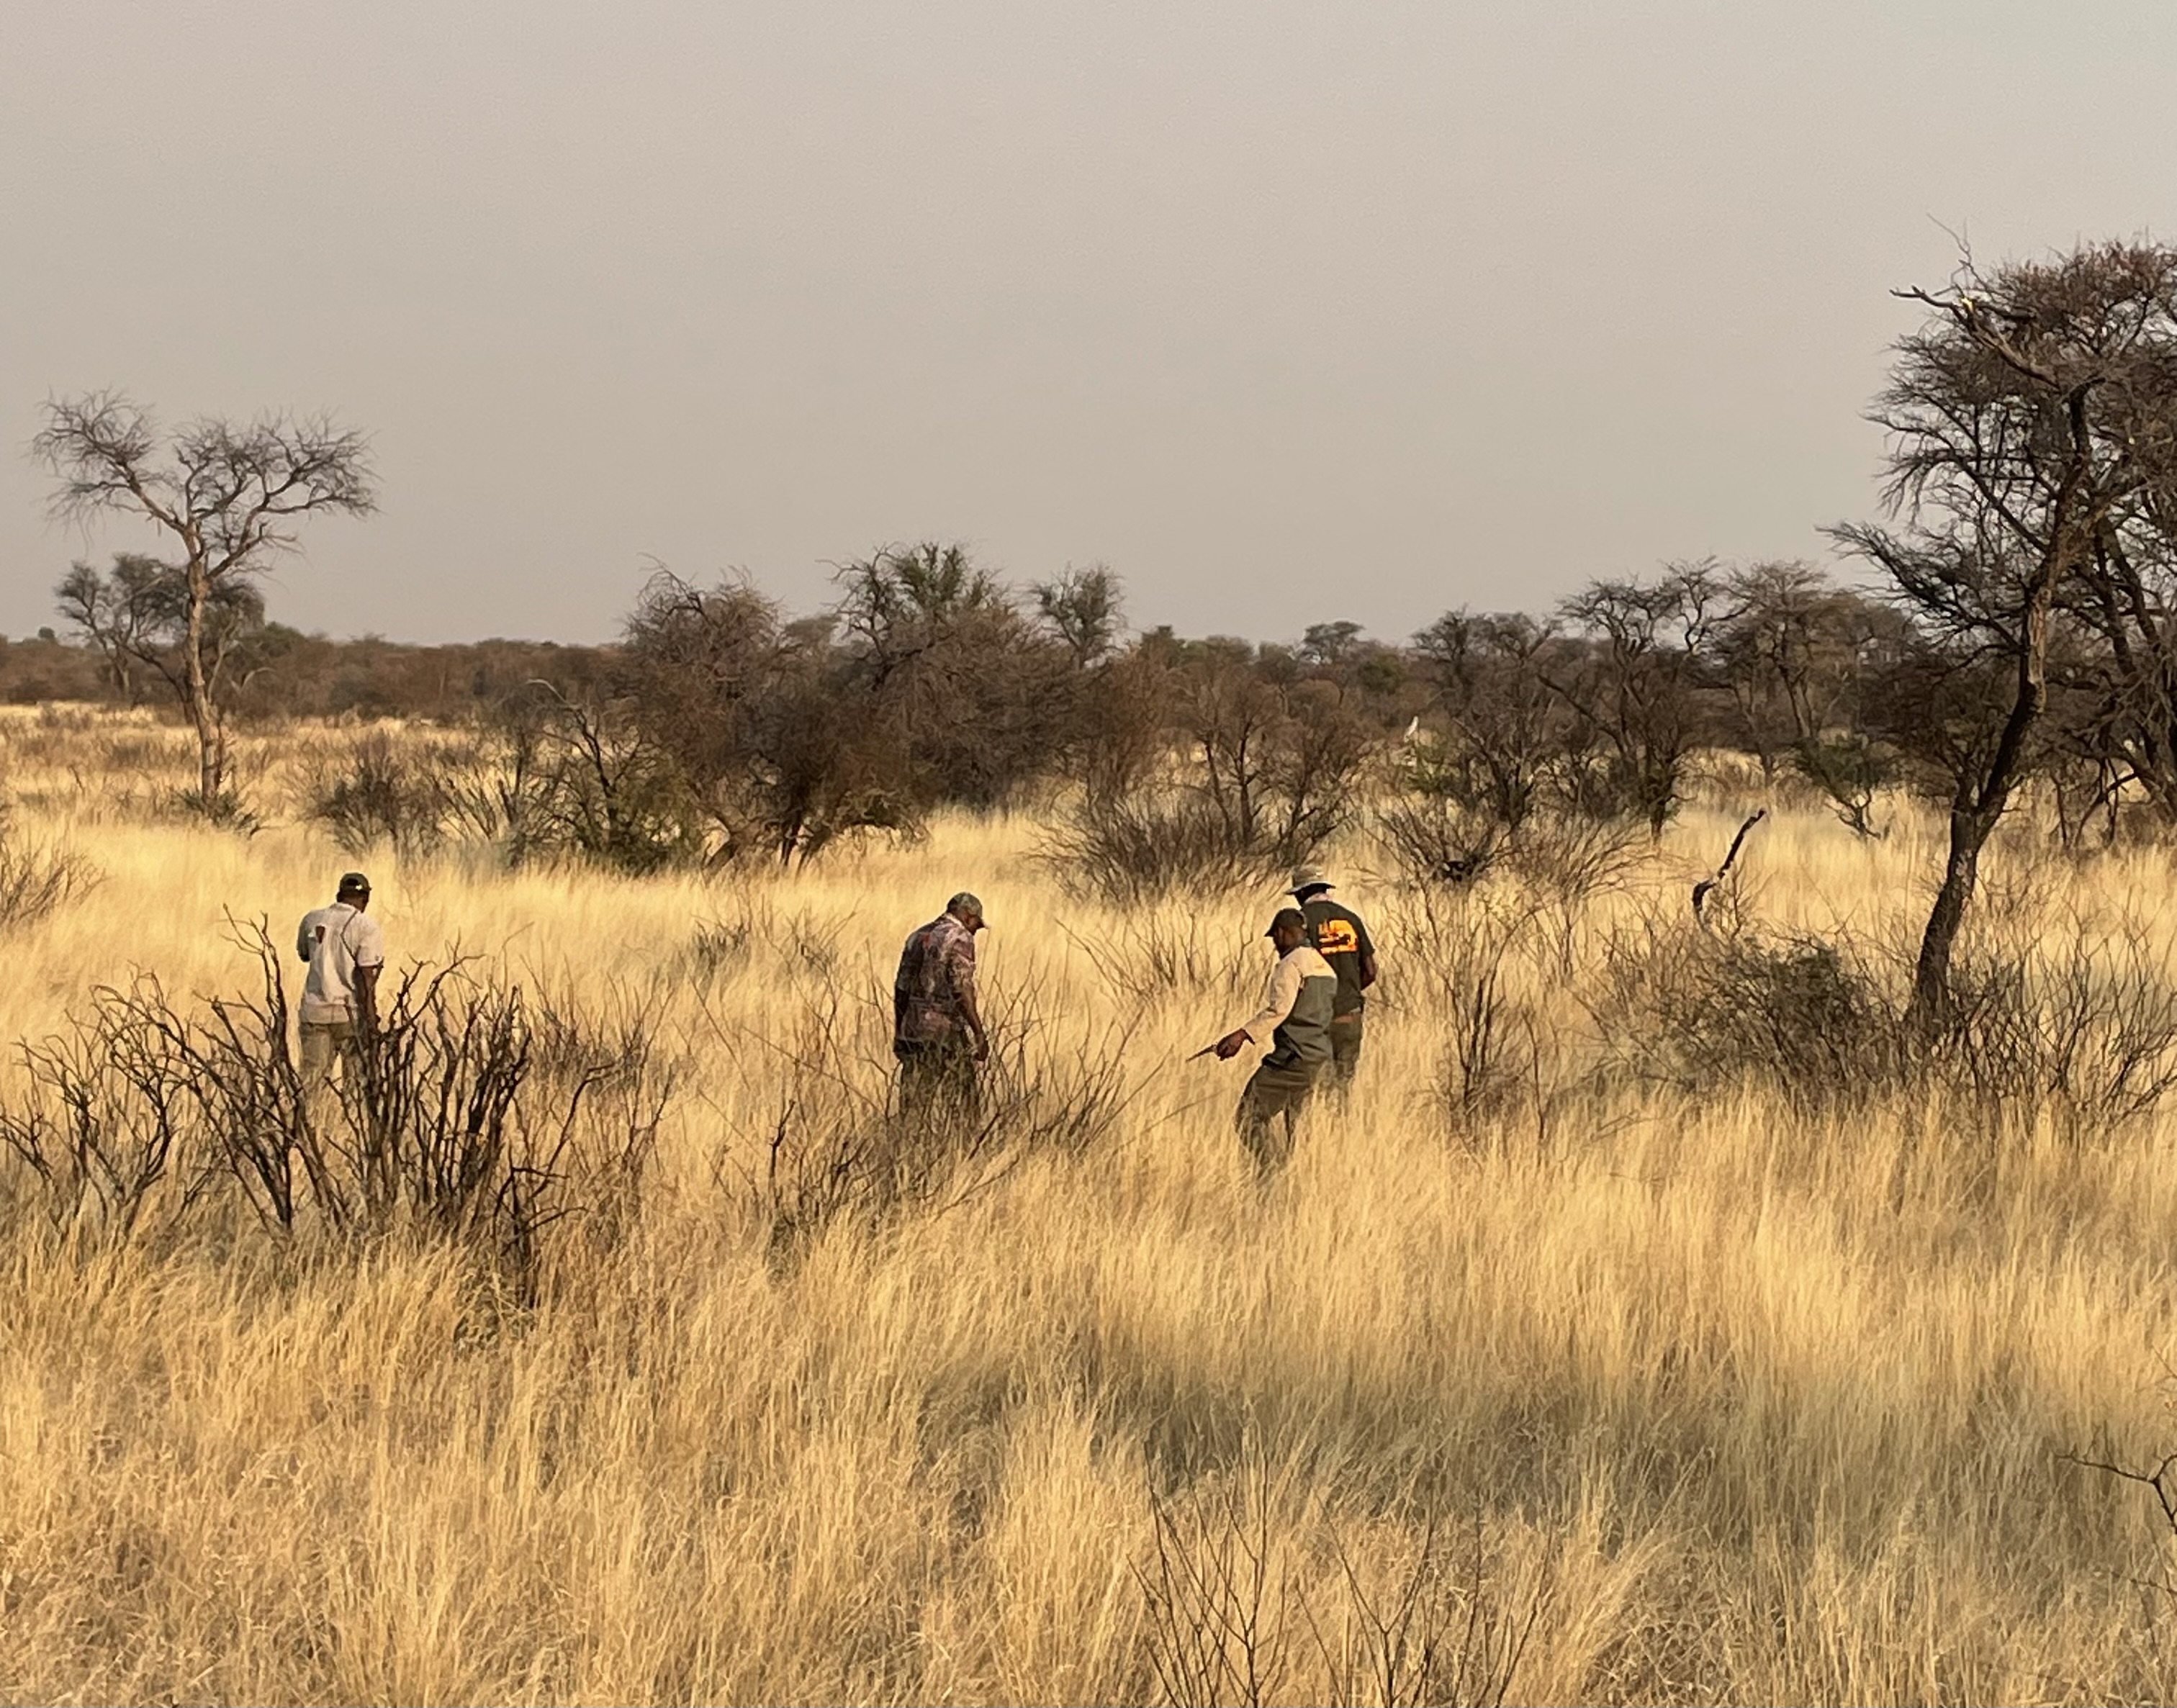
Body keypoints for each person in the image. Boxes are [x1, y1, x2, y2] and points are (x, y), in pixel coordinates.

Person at [1212, 907, 1338, 1173]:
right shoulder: (1325, 967)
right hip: (1321, 1058)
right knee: (1299, 1130)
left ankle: (1272, 1173)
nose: (1275, 946)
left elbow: (1279, 1010)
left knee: (1248, 1117)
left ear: (1282, 933)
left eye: (1274, 939)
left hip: (1292, 1059)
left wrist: (1242, 1035)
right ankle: (1296, 1179)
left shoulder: (1290, 964)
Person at [893, 891, 990, 1115]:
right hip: (944, 1035)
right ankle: (959, 1148)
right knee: (964, 1105)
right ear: (968, 916)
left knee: (912, 1108)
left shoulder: (916, 936)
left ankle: (907, 1146)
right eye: (976, 924)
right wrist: (978, 1033)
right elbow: (961, 988)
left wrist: (900, 1031)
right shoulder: (960, 937)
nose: (975, 931)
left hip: (912, 1033)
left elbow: (901, 989)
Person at [295, 871, 386, 1088]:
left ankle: (306, 1121)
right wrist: (372, 1022)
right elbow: (366, 979)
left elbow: (304, 954)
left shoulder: (311, 919)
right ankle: (349, 1122)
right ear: (365, 899)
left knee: (311, 1082)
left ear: (338, 895)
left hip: (314, 1011)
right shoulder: (366, 926)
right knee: (355, 1085)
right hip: (350, 1014)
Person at [1290, 866, 1379, 1088]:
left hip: (1314, 1018)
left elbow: (1291, 975)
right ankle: (1338, 1123)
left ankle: (1315, 1123)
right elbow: (1370, 971)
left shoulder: (1299, 923)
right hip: (1350, 1014)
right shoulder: (1351, 919)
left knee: (1311, 1085)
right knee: (1342, 1085)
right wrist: (1349, 993)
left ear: (1302, 893)